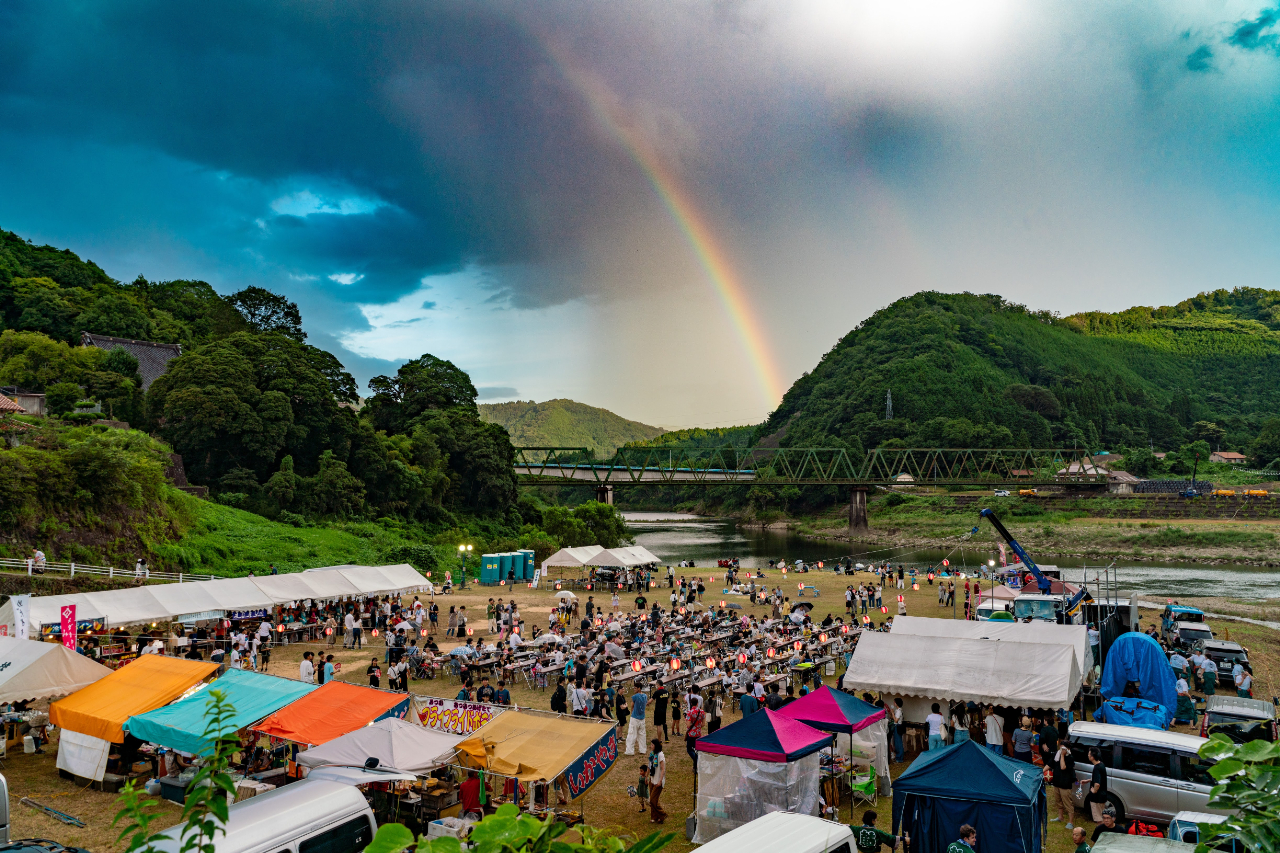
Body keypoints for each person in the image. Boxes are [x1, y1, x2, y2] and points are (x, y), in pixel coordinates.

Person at [1051, 739, 1076, 827]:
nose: (1061, 750)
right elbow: (1050, 763)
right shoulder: (1056, 755)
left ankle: (1071, 822)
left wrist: (1062, 756)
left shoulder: (1070, 758)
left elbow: (1063, 767)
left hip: (1065, 784)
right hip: (1057, 782)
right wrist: (1042, 771)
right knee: (1058, 801)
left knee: (1068, 803)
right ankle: (1060, 817)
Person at [1084, 746, 1109, 823]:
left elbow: (1097, 784)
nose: (1088, 755)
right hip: (1102, 796)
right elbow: (1099, 779)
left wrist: (1094, 791)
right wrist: (1088, 780)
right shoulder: (1101, 764)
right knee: (1102, 816)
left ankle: (1101, 834)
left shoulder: (1097, 768)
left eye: (1089, 754)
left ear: (1092, 757)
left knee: (1099, 819)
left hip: (1097, 798)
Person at [626, 682, 649, 755]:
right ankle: (643, 749)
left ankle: (630, 750)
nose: (634, 689)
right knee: (642, 734)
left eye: (635, 688)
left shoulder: (635, 696)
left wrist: (632, 711)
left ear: (639, 688)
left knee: (632, 734)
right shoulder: (645, 696)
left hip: (635, 717)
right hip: (642, 717)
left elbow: (632, 705)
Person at [684, 694, 705, 772]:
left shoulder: (689, 712)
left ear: (691, 703)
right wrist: (698, 727)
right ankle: (695, 767)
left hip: (691, 734)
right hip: (698, 733)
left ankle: (697, 761)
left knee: (689, 749)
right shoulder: (701, 712)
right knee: (696, 750)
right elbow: (703, 724)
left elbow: (689, 725)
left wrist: (686, 721)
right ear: (697, 703)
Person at [648, 738, 666, 824]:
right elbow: (649, 765)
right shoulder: (652, 754)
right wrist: (647, 777)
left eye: (652, 745)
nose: (650, 746)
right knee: (653, 800)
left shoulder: (660, 755)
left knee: (652, 800)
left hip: (658, 781)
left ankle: (662, 814)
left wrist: (660, 781)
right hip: (652, 779)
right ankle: (655, 817)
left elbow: (663, 769)